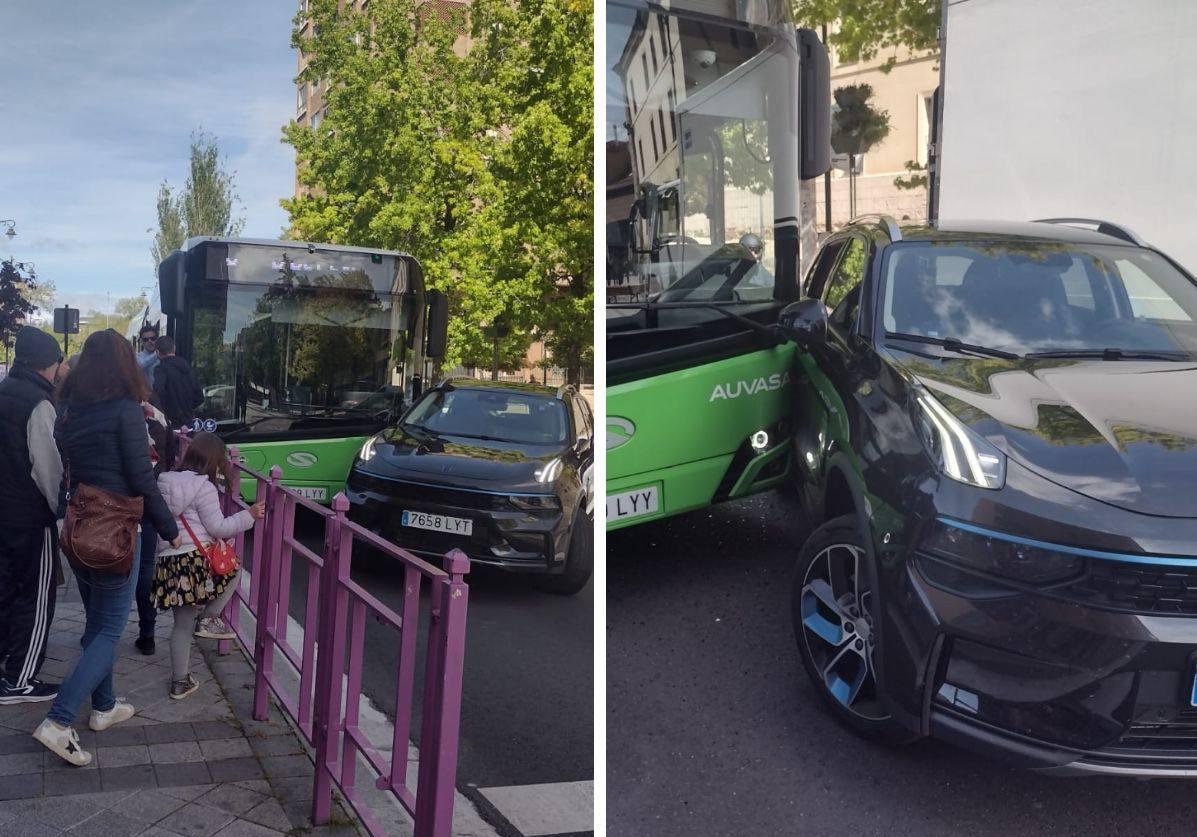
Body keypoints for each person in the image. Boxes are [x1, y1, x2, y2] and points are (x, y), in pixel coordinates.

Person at [33, 329, 181, 767]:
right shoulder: (125, 412)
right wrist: (170, 528)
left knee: (97, 624)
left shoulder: (69, 412)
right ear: (125, 366)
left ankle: (104, 706)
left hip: (78, 528)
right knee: (110, 629)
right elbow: (141, 479)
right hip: (116, 532)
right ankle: (59, 722)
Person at [154, 432, 263, 699]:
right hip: (194, 560)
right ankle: (209, 618)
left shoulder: (165, 481)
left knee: (180, 624)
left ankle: (180, 681)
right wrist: (248, 516)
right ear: (214, 461)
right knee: (234, 569)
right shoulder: (204, 487)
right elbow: (218, 527)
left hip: (169, 559)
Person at [0, 327, 64, 704]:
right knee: (36, 598)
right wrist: (59, 511)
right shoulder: (38, 405)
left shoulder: (4, 393)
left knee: (4, 591)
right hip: (28, 517)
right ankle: (20, 679)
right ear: (48, 364)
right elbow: (48, 469)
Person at [133, 398, 171, 656]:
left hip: (112, 499)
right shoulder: (156, 415)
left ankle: (96, 628)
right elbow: (169, 458)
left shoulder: (100, 406)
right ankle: (147, 633)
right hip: (149, 498)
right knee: (147, 566)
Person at [152, 335, 203, 430]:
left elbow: (158, 395)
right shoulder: (187, 368)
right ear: (174, 348)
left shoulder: (160, 370)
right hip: (189, 425)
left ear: (157, 352)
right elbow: (199, 397)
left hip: (171, 426)